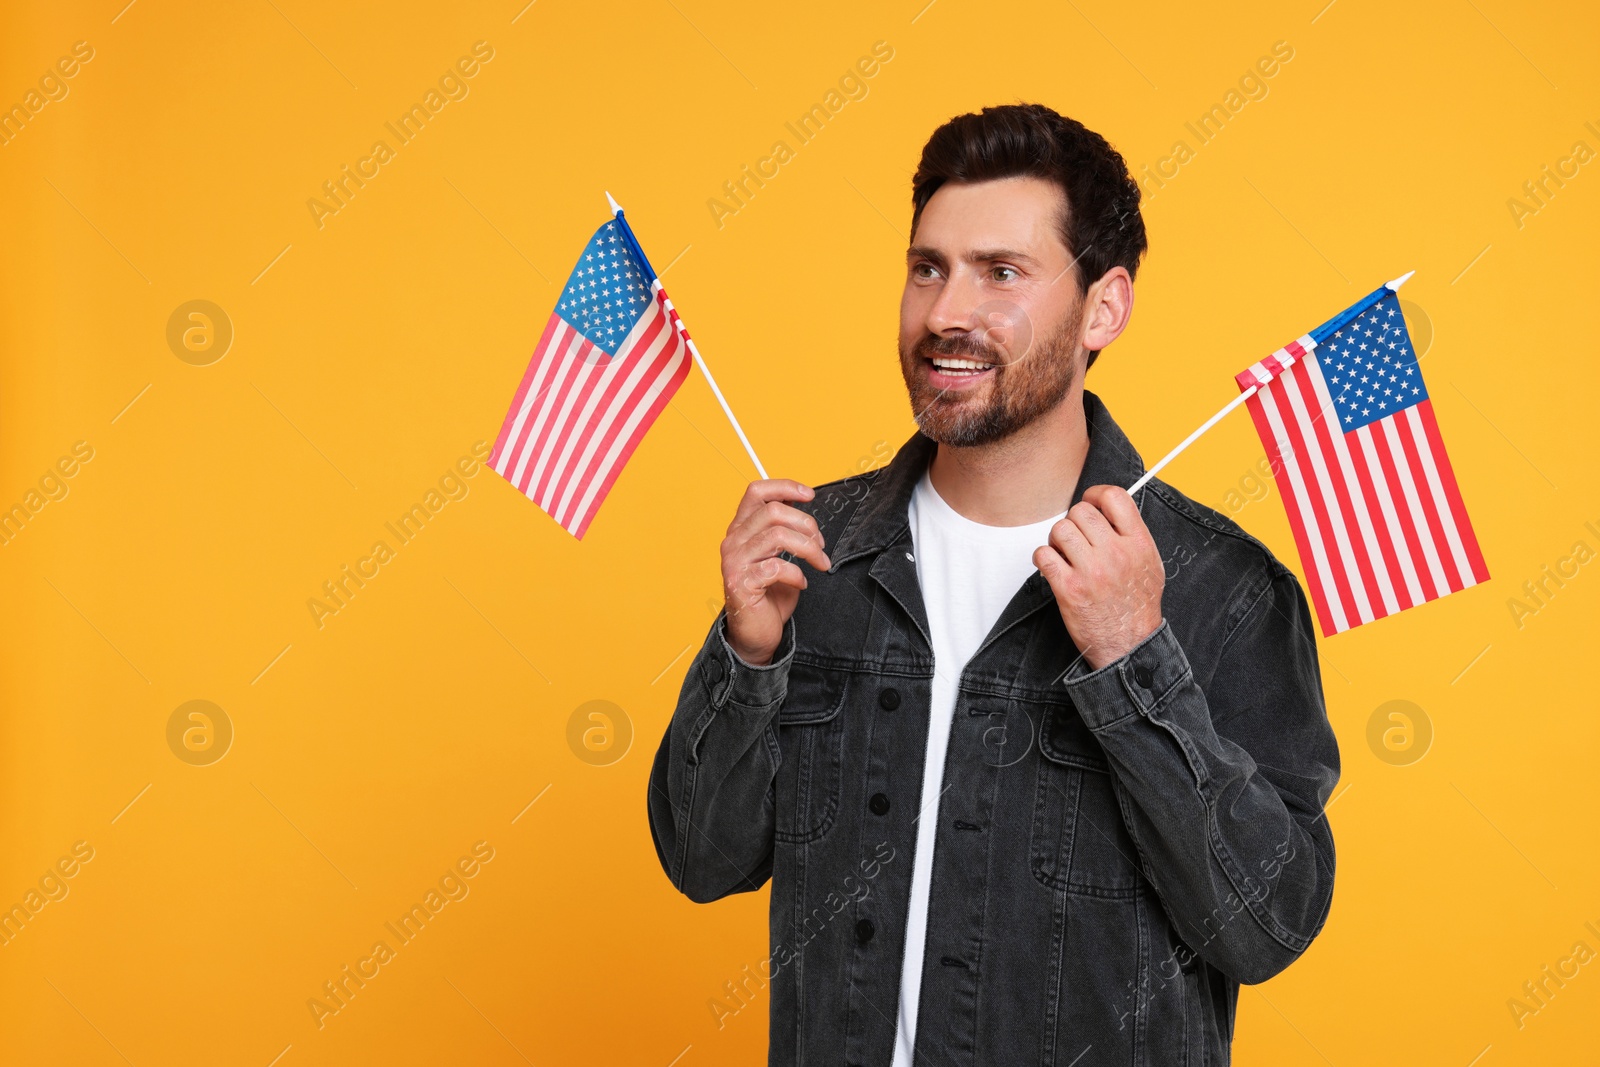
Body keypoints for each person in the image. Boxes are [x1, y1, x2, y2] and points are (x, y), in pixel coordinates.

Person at [647, 102, 1340, 1066]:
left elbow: (1266, 923)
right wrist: (749, 656)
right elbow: (700, 858)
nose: (943, 314)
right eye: (927, 267)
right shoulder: (818, 555)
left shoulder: (1220, 586)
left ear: (1104, 306)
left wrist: (1135, 658)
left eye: (1000, 273)